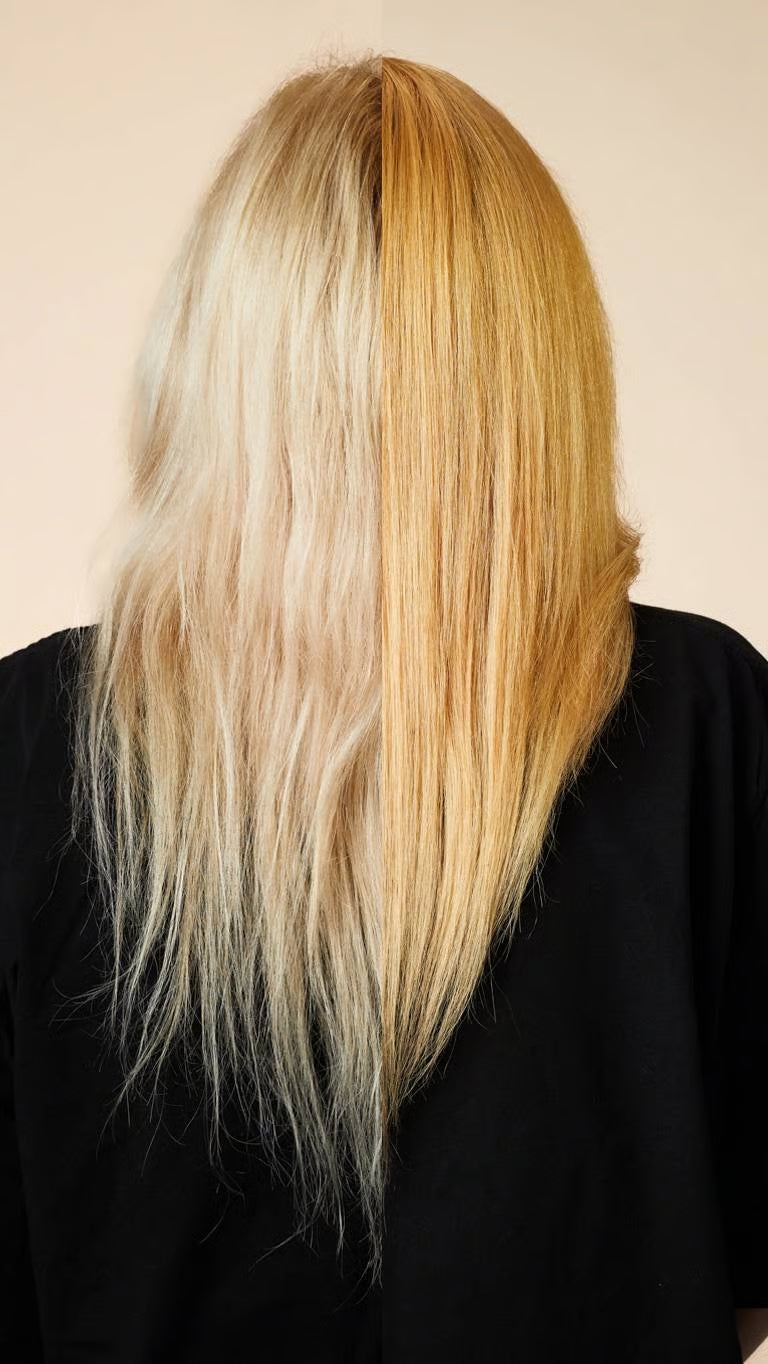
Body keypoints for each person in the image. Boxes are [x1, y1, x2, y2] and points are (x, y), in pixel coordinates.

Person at [1, 51, 766, 1364]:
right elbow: (737, 1276)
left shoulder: (25, 749)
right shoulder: (709, 728)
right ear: (545, 361)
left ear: (217, 357)